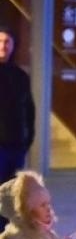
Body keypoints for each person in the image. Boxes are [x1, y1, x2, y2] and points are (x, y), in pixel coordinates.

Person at [0, 28, 33, 194]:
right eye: (0, 41)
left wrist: (27, 140)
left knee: (11, 195)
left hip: (16, 146)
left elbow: (29, 110)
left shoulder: (20, 76)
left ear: (13, 46)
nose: (3, 46)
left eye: (7, 42)